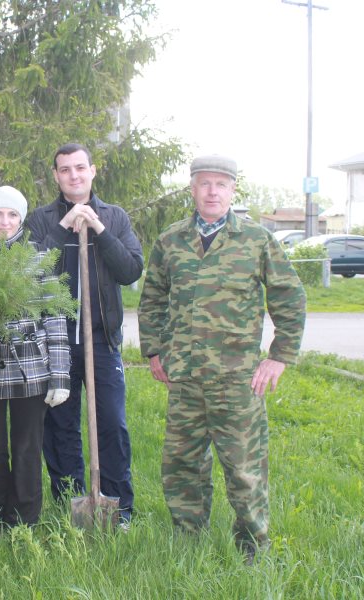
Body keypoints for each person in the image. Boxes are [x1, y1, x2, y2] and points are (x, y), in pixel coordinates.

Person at [137, 154, 306, 562]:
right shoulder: (171, 241)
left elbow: (290, 297)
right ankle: (188, 539)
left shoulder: (256, 239)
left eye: (221, 184)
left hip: (236, 379)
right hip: (185, 378)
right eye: (204, 183)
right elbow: (153, 298)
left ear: (233, 191)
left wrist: (279, 356)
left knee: (244, 469)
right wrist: (155, 350)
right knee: (182, 465)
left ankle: (252, 546)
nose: (212, 191)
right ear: (192, 188)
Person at [27, 143, 143, 525]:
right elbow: (31, 270)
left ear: (93, 171)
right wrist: (64, 228)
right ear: (56, 176)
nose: (73, 175)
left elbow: (130, 270)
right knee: (60, 425)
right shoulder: (42, 220)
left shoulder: (115, 216)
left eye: (80, 168)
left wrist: (99, 229)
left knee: (111, 422)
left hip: (102, 339)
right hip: (56, 342)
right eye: (65, 170)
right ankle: (69, 502)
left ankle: (118, 505)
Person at [0, 186, 70, 531]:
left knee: (27, 449)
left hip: (31, 371)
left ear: (21, 219)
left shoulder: (39, 260)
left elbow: (56, 319)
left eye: (12, 215)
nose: (5, 222)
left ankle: (25, 519)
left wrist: (60, 376)